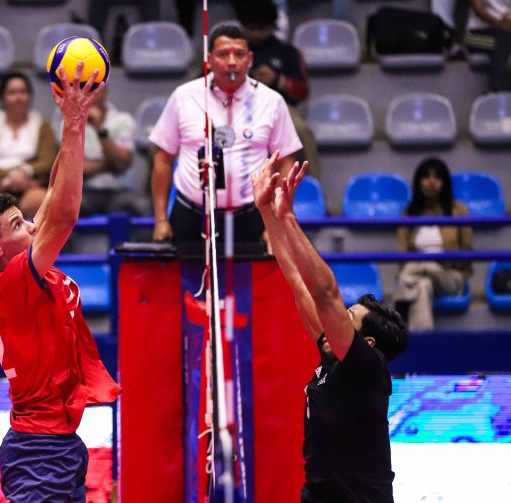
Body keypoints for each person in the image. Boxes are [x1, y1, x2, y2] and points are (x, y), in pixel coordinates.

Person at [0, 64, 120, 501]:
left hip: (59, 443)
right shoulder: (11, 283)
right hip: (39, 448)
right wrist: (73, 122)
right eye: (17, 224)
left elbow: (52, 198)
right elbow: (64, 216)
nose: (30, 224)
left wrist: (74, 126)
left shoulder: (20, 268)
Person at [251, 151, 409, 502]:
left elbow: (324, 292)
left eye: (348, 318)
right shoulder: (334, 359)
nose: (334, 321)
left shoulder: (368, 370)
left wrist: (288, 217)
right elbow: (295, 278)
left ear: (367, 343)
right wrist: (265, 211)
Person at [149, 24, 302, 246]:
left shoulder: (272, 102)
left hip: (252, 216)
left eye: (239, 54)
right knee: (191, 282)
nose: (232, 62)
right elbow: (163, 159)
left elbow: (287, 162)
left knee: (250, 282)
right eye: (223, 54)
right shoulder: (184, 97)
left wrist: (277, 218)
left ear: (249, 59)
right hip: (192, 215)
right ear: (209, 59)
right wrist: (161, 219)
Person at [235, 0, 321, 179]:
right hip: (238, 108)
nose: (257, 33)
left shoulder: (287, 52)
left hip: (280, 108)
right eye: (252, 28)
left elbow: (303, 91)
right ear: (244, 26)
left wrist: (278, 80)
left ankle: (316, 192)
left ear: (271, 26)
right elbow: (207, 84)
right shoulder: (232, 52)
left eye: (262, 28)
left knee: (302, 131)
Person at [394, 157, 473, 332]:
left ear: (444, 182)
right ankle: (422, 341)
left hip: (450, 275)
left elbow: (467, 252)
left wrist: (440, 262)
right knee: (423, 286)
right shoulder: (408, 214)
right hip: (419, 276)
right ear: (418, 181)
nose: (431, 182)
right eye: (426, 177)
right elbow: (401, 254)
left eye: (437, 177)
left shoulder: (459, 211)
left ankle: (397, 316)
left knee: (413, 271)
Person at [0, 72, 57, 218]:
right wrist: (10, 176)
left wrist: (25, 172)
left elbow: (47, 161)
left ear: (30, 96)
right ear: (3, 97)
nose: (18, 97)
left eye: (23, 92)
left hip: (29, 185)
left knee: (40, 201)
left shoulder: (42, 125)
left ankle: (31, 239)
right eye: (12, 92)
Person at [80, 86, 150, 216]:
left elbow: (123, 163)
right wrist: (111, 164)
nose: (90, 94)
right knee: (61, 210)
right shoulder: (70, 123)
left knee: (142, 207)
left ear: (104, 91)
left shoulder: (123, 121)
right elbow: (73, 170)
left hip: (119, 191)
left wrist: (99, 129)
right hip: (84, 192)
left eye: (94, 88)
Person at [464, 0, 511, 93]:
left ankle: (498, 90)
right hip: (478, 33)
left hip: (509, 30)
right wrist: (500, 23)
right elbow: (479, 9)